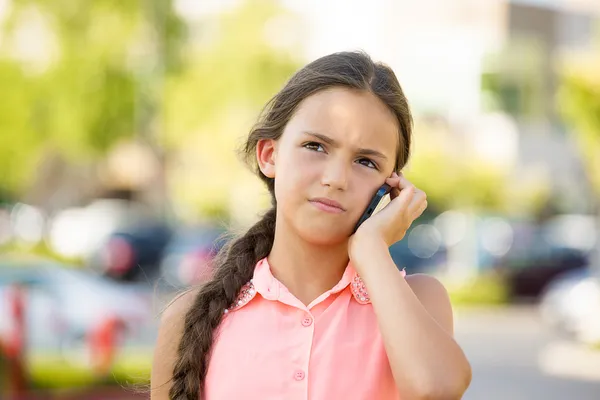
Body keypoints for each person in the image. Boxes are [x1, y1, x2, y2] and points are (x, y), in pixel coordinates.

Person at [151, 51, 472, 400]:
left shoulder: (419, 300)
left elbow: (437, 388)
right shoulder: (189, 320)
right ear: (269, 155)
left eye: (365, 161)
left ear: (392, 185)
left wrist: (370, 249)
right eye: (315, 146)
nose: (335, 179)